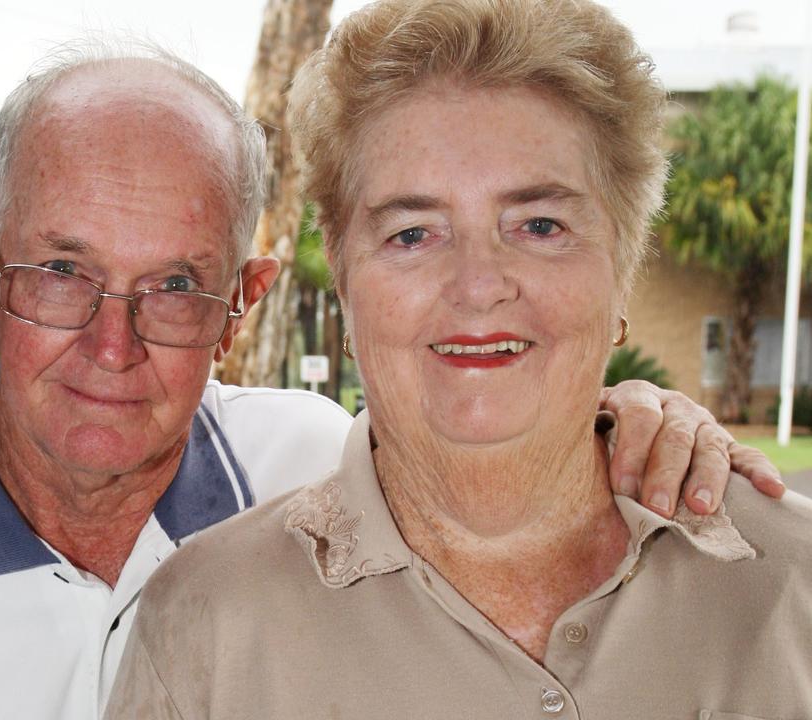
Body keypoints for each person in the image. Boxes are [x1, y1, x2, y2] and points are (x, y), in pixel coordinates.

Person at [0, 38, 784, 720]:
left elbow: (484, 417)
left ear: (248, 299)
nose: (112, 343)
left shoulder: (317, 466)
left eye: (175, 285)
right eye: (60, 273)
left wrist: (624, 417)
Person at [104, 2, 812, 718]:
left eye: (539, 225)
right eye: (413, 234)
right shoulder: (207, 625)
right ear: (347, 283)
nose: (477, 286)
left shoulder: (791, 586)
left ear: (621, 268)